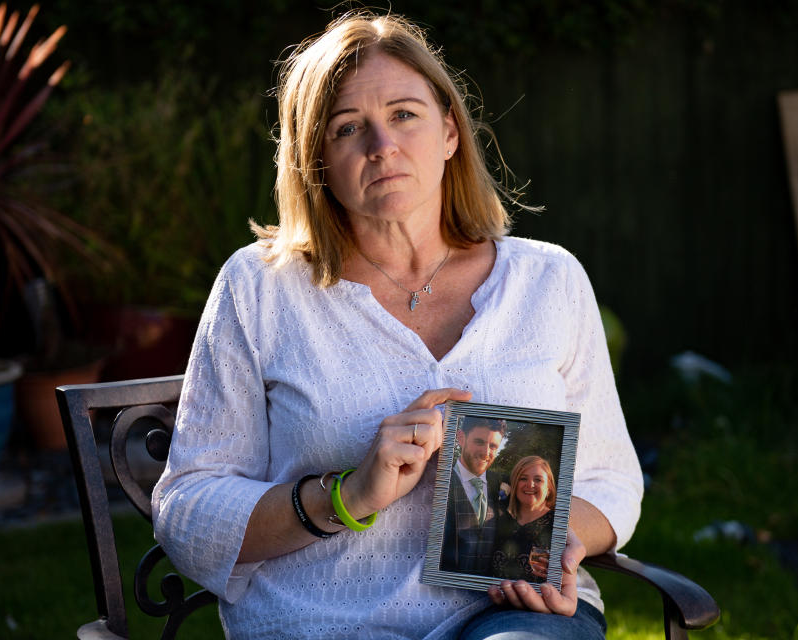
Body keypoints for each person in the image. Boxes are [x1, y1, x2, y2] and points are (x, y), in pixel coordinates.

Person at [152, 11, 643, 640]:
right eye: (348, 128)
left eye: (404, 115)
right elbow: (188, 508)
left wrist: (558, 542)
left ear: (449, 132)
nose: (382, 146)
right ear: (317, 162)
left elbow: (611, 478)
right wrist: (345, 497)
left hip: (515, 613)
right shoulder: (261, 290)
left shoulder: (548, 281)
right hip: (323, 623)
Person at [440, 419, 507, 575]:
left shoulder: (500, 482)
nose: (486, 452)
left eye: (493, 446)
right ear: (461, 438)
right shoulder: (440, 480)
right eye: (479, 442)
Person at [490, 456, 557, 583]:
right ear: (514, 485)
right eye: (523, 478)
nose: (530, 484)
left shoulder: (557, 524)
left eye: (538, 480)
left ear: (548, 489)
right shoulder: (501, 519)